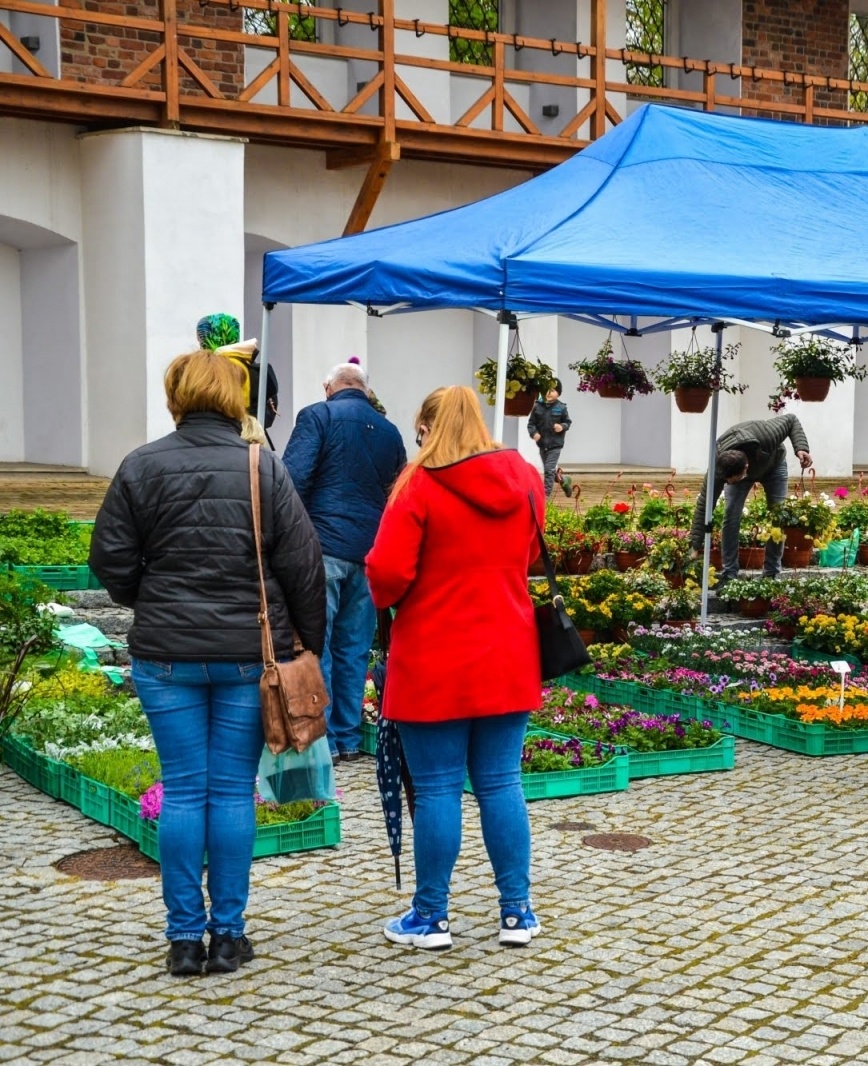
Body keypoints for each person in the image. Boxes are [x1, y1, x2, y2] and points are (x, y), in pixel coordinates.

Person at [89, 350, 325, 977]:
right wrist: (309, 646)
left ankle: (183, 939)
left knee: (185, 790)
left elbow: (109, 559)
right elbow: (303, 566)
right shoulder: (263, 466)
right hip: (249, 656)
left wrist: (152, 599)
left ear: (177, 395)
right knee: (230, 791)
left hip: (166, 657)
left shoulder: (140, 465)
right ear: (235, 397)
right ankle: (227, 936)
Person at [366, 385, 544, 951]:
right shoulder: (526, 479)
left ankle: (431, 916)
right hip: (509, 650)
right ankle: (516, 912)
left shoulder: (417, 484)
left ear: (426, 427)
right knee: (502, 782)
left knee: (438, 788)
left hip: (433, 655)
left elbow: (386, 574)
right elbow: (531, 555)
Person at [283, 362, 408, 763]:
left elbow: (291, 481)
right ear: (365, 391)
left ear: (328, 387)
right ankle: (348, 738)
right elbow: (397, 493)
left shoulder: (317, 416)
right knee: (354, 649)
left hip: (322, 548)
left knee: (316, 645)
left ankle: (322, 742)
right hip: (369, 553)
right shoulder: (389, 431)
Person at [689, 414, 813, 582]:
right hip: (740, 468)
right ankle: (729, 574)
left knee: (778, 515)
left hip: (774, 466)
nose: (729, 484)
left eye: (733, 481)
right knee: (731, 515)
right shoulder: (719, 468)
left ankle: (771, 573)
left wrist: (801, 447)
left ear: (745, 468)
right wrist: (694, 545)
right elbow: (704, 503)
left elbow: (791, 420)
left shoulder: (767, 434)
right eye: (727, 481)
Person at [197, 312, 279, 447]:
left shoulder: (214, 371)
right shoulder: (249, 366)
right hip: (250, 441)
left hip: (221, 442)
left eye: (200, 340)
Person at [529, 380, 575, 498]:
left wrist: (562, 427)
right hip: (542, 444)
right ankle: (564, 481)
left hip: (555, 444)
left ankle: (545, 497)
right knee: (550, 471)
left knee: (548, 470)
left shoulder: (561, 408)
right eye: (546, 390)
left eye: (553, 390)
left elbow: (568, 422)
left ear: (558, 393)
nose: (549, 393)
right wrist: (534, 433)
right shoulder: (537, 406)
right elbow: (531, 424)